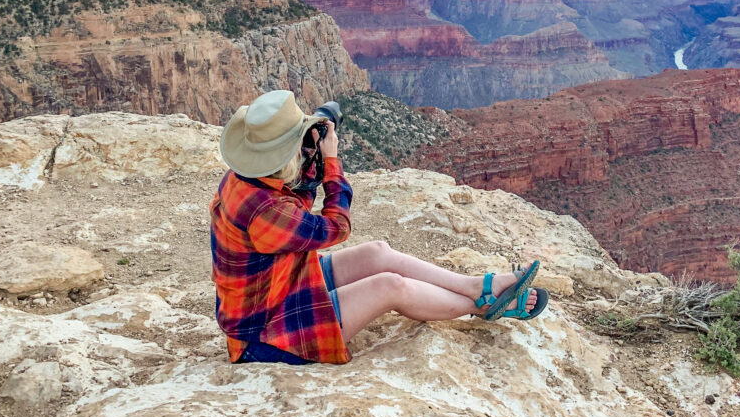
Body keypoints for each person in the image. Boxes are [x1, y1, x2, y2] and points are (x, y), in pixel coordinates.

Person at [210, 89, 549, 364]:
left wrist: (308, 155)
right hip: (265, 335)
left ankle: (476, 285)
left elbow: (296, 204)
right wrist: (330, 162)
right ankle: (487, 303)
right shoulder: (265, 210)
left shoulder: (246, 179)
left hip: (283, 285)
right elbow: (335, 227)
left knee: (378, 253)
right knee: (390, 286)